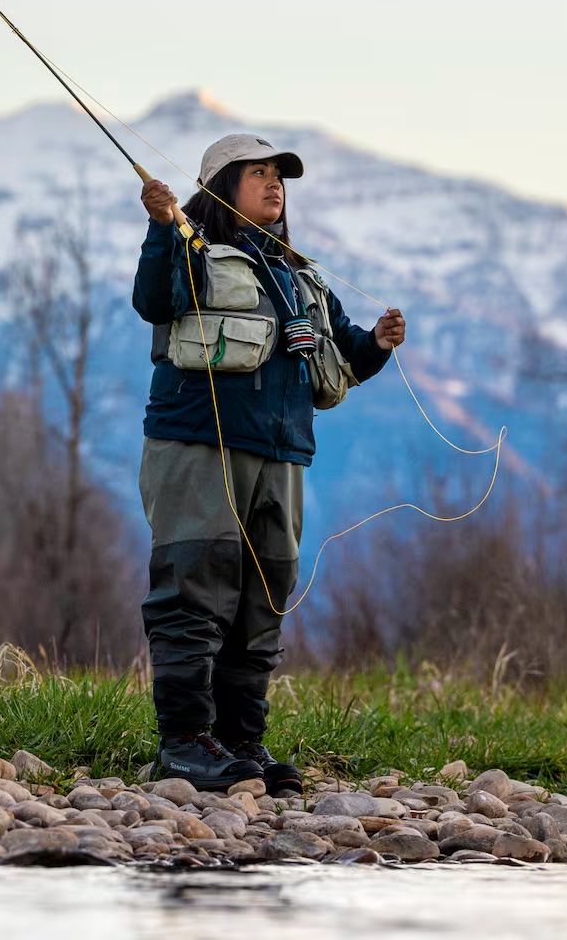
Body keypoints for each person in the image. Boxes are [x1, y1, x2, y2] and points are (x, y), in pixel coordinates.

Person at [132, 134, 406, 793]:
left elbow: (343, 356)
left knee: (263, 599)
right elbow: (154, 301)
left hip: (283, 455)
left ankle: (240, 744)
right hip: (199, 446)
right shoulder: (190, 246)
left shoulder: (301, 275)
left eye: (279, 176)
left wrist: (377, 345)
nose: (274, 185)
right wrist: (162, 226)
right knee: (195, 592)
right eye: (257, 174)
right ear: (222, 184)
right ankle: (185, 744)